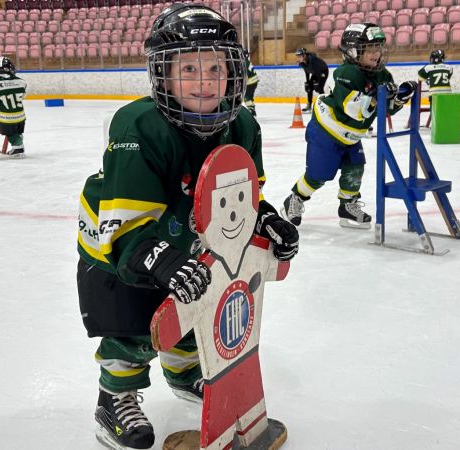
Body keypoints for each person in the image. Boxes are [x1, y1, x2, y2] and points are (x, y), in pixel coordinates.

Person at [75, 4, 299, 450]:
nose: (204, 80)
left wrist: (267, 220)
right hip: (117, 248)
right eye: (189, 67)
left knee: (199, 302)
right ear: (163, 76)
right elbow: (126, 229)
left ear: (234, 73)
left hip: (188, 241)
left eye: (216, 67)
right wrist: (154, 257)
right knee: (134, 326)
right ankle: (115, 395)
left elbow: (243, 201)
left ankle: (184, 371)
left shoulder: (244, 125)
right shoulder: (138, 126)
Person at [281, 23, 416, 229]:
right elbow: (353, 108)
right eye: (370, 49)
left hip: (352, 136)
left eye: (378, 48)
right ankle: (295, 198)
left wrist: (399, 98)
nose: (376, 54)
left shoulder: (382, 75)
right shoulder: (346, 73)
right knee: (319, 174)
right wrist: (378, 98)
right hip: (326, 131)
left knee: (355, 168)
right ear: (353, 51)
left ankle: (347, 206)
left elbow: (385, 110)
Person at [0, 56, 27, 157]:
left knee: (8, 129)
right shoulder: (21, 81)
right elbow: (23, 96)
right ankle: (18, 139)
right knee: (16, 130)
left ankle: (18, 146)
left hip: (7, 119)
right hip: (21, 117)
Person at [295, 47, 329, 113]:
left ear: (304, 55)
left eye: (300, 56)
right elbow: (307, 72)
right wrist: (308, 82)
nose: (298, 58)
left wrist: (317, 82)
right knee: (309, 87)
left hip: (322, 72)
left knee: (319, 88)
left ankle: (324, 104)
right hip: (315, 73)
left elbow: (319, 69)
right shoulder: (302, 63)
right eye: (297, 56)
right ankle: (309, 105)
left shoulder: (312, 60)